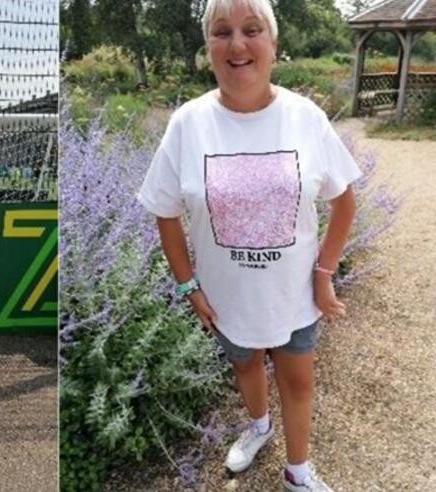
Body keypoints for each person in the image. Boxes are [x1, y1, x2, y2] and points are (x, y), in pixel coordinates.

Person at [137, 0, 360, 490]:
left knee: (298, 382)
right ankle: (258, 426)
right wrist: (188, 286)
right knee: (245, 363)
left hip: (294, 294)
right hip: (226, 299)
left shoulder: (305, 117)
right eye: (222, 32)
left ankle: (297, 473)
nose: (237, 44)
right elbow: (165, 211)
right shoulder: (188, 124)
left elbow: (345, 202)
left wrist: (323, 276)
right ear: (208, 48)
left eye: (251, 30)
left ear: (273, 44)